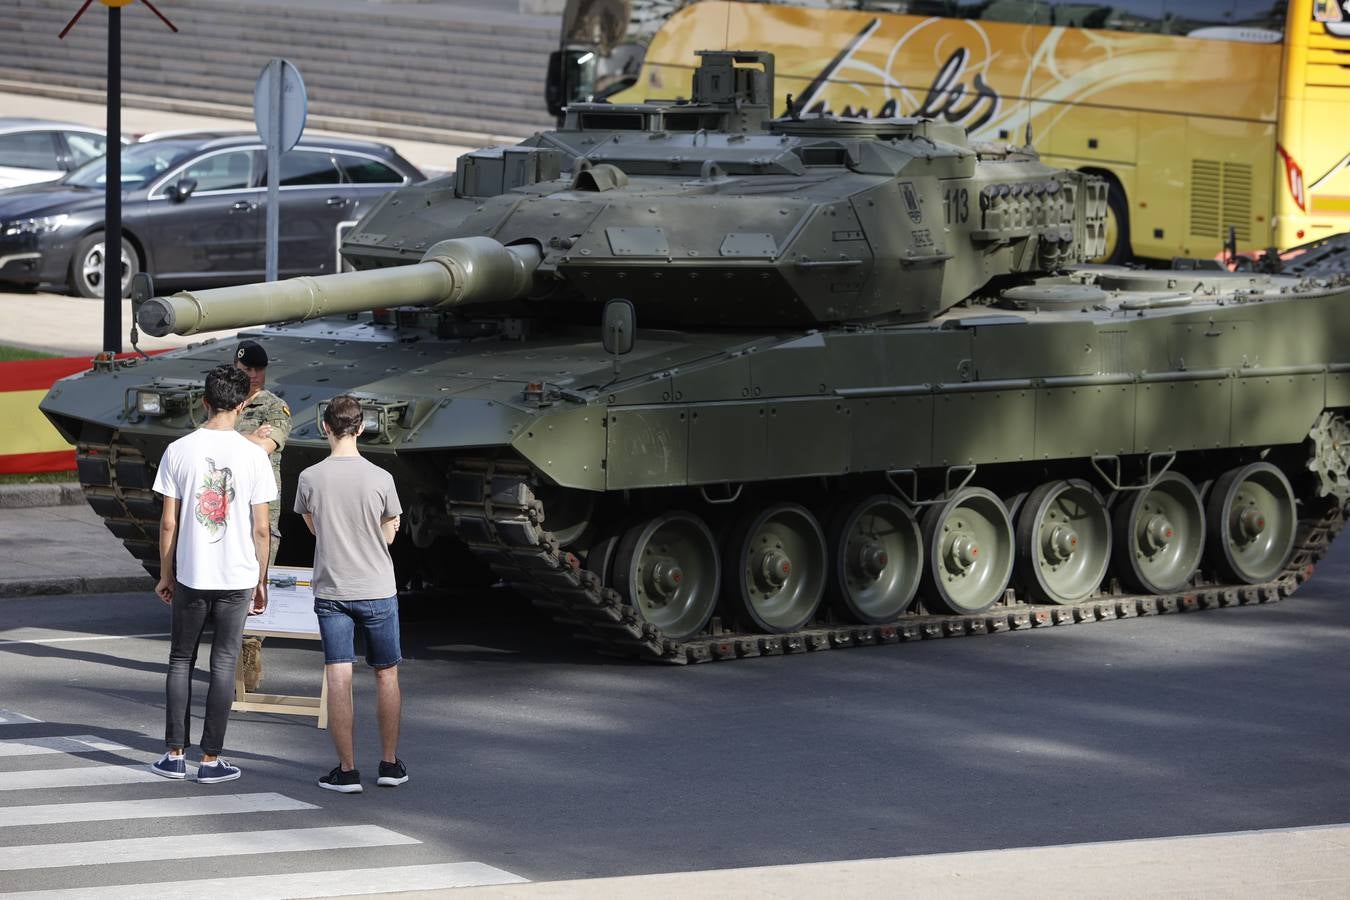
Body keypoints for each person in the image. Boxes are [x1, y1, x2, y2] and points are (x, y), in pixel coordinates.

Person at [150, 364, 276, 784]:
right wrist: (261, 579)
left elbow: (169, 523)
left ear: (204, 402)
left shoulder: (178, 450)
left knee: (181, 659)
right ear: (243, 405)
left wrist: (166, 572)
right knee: (223, 663)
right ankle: (210, 760)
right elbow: (262, 527)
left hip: (192, 573)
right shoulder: (255, 456)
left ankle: (173, 754)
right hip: (238, 576)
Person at [295, 394, 407, 794]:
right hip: (377, 587)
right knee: (386, 673)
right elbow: (390, 532)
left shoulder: (309, 478)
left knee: (338, 677)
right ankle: (390, 764)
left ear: (325, 427)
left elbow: (314, 528)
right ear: (362, 428)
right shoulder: (382, 478)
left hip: (332, 588)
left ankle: (347, 770)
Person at [234, 339, 291, 566]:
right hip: (222, 496)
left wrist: (226, 437)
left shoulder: (275, 407)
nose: (254, 375)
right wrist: (250, 437)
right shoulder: (224, 401)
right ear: (235, 367)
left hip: (259, 503)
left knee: (257, 577)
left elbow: (263, 448)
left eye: (259, 369)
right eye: (247, 369)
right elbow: (200, 440)